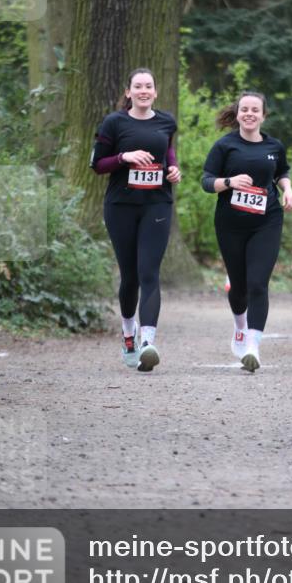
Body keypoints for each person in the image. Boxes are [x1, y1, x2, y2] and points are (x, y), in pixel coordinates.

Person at [90, 68, 181, 372]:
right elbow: (96, 164)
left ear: (155, 92)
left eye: (149, 86)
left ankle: (147, 342)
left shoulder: (166, 122)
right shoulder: (115, 122)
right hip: (121, 206)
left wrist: (173, 170)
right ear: (128, 92)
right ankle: (128, 334)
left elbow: (168, 153)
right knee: (130, 276)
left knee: (149, 272)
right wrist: (123, 158)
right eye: (138, 86)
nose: (144, 91)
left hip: (157, 204)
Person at [201, 91, 292, 372]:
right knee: (240, 288)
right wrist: (229, 182)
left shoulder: (274, 146)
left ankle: (253, 347)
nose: (250, 114)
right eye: (245, 109)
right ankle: (240, 329)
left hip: (267, 220)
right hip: (230, 224)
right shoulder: (224, 146)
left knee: (258, 284)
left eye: (255, 110)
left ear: (263, 115)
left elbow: (282, 173)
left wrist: (288, 191)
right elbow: (207, 182)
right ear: (238, 113)